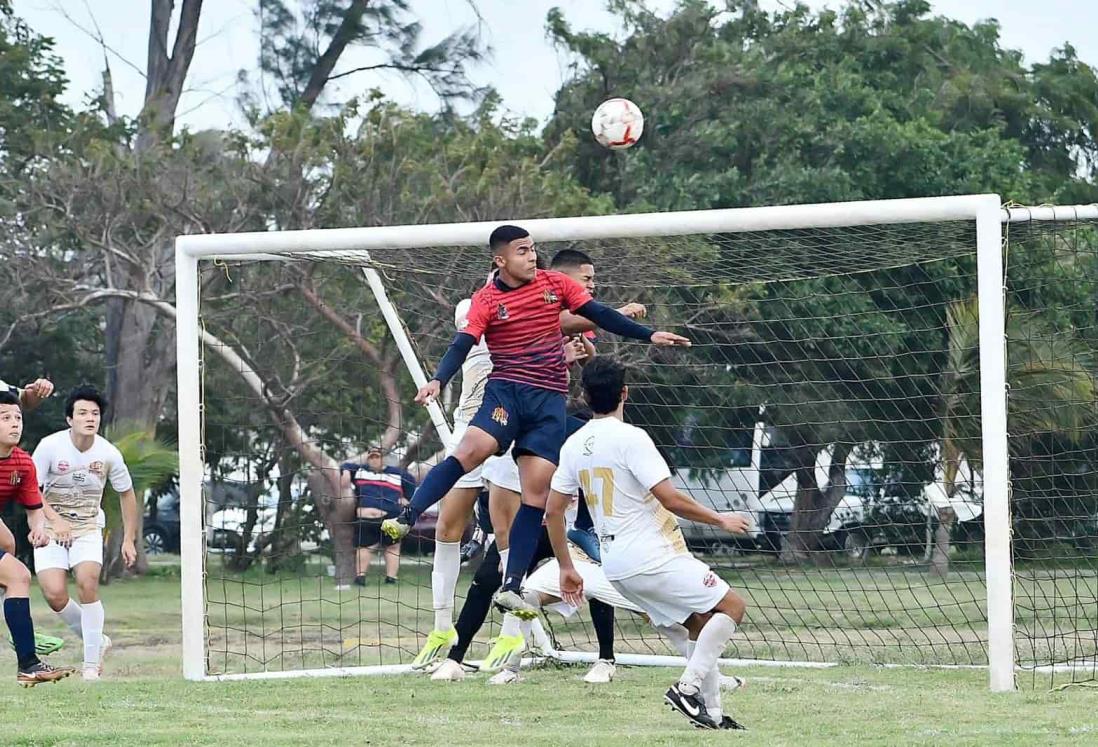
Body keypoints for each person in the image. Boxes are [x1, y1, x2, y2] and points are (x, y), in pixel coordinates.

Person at [382, 225, 689, 623]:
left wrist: (649, 335)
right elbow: (463, 344)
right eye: (523, 250)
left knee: (536, 495)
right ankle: (408, 516)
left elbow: (597, 315)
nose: (531, 256)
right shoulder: (486, 300)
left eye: (533, 249)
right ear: (501, 260)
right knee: (469, 452)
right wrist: (438, 379)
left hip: (547, 404)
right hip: (506, 394)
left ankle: (511, 588)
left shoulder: (555, 284)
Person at [544, 357, 751, 730]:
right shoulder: (632, 438)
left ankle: (715, 715)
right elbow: (670, 499)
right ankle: (687, 689)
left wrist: (566, 567)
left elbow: (552, 513)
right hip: (650, 556)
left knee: (699, 624)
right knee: (732, 606)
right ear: (625, 393)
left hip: (616, 565)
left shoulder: (574, 445)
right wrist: (721, 518)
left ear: (585, 396)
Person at [32, 385, 139, 682]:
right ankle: (98, 639)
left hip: (88, 527)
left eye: (95, 413)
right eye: (82, 413)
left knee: (87, 581)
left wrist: (129, 539)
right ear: (70, 419)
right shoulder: (50, 447)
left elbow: (127, 494)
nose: (89, 418)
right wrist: (55, 520)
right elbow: (32, 490)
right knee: (54, 594)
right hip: (50, 529)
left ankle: (91, 665)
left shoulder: (108, 453)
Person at [0, 390, 75, 686]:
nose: (15, 423)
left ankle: (20, 642)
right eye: (5, 418)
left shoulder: (22, 463)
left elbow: (34, 509)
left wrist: (39, 528)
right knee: (18, 574)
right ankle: (29, 664)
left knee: (8, 547)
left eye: (17, 417)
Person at [340, 445, 416, 586]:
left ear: (383, 459)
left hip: (390, 516)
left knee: (392, 546)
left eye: (377, 457)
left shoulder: (397, 474)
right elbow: (345, 466)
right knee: (364, 546)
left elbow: (411, 485)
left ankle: (391, 578)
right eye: (371, 457)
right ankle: (360, 578)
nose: (374, 460)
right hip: (366, 517)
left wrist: (406, 500)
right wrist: (344, 471)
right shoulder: (360, 471)